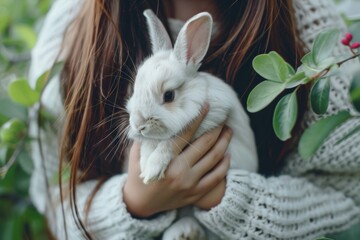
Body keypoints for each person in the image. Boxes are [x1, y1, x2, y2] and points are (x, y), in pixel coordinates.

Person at [28, 0, 360, 239]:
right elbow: (54, 203)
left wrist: (230, 200)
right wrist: (133, 203)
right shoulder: (74, 28)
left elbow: (348, 194)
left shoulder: (305, 19)